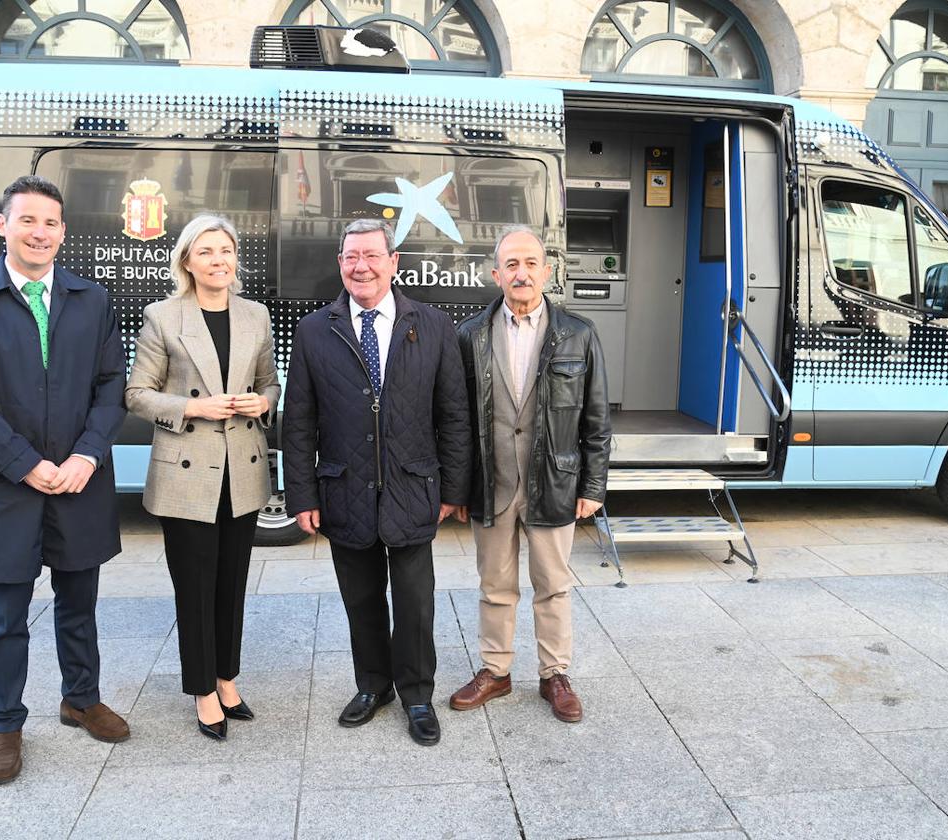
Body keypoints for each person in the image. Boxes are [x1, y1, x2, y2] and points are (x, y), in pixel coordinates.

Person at [0, 175, 129, 784]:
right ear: (3, 226)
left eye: (50, 223)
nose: (39, 232)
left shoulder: (90, 298)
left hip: (78, 480)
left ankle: (80, 698)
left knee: (79, 603)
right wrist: (25, 462)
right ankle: (5, 724)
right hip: (3, 483)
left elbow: (110, 385)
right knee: (5, 613)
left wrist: (87, 456)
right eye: (27, 221)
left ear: (63, 233)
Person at [283, 219, 470, 746]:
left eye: (370, 255)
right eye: (349, 257)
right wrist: (301, 493)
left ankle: (415, 695)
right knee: (361, 600)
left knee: (414, 604)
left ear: (394, 262)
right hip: (344, 488)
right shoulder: (316, 329)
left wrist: (454, 490)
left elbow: (453, 415)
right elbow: (298, 419)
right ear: (339, 264)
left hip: (413, 488)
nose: (359, 266)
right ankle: (372, 686)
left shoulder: (433, 324)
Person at [125, 214, 280, 742]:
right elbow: (138, 394)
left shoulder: (255, 315)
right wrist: (195, 408)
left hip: (242, 469)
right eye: (207, 252)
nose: (219, 260)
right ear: (187, 261)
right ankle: (202, 690)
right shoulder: (163, 316)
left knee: (232, 585)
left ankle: (227, 677)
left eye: (226, 250)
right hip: (185, 474)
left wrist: (262, 402)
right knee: (194, 587)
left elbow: (270, 384)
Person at [450, 225, 611, 723]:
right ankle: (495, 672)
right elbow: (455, 420)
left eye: (530, 263)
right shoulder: (470, 335)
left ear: (546, 270)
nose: (521, 273)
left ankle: (554, 675)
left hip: (554, 481)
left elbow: (597, 418)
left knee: (554, 585)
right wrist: (458, 486)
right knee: (494, 585)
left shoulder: (578, 334)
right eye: (511, 265)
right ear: (496, 274)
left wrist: (593, 485)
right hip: (490, 483)